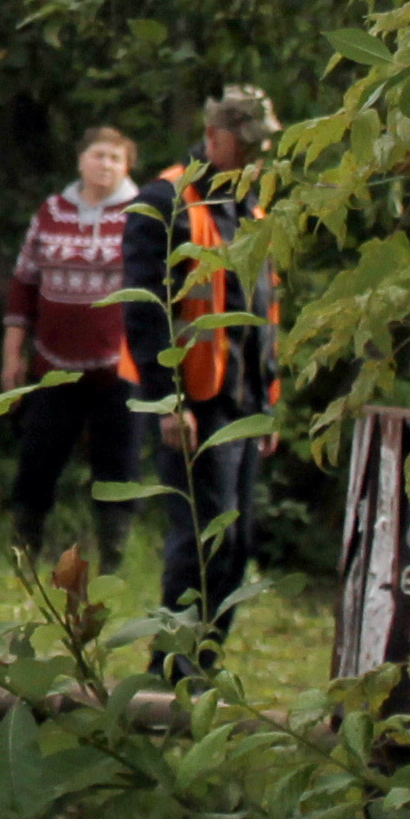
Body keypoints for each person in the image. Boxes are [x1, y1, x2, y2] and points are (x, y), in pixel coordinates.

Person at [122, 84, 281, 647]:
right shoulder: (165, 202)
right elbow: (145, 312)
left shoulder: (250, 206)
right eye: (247, 144)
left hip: (242, 404)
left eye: (263, 145)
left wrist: (267, 404)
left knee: (236, 543)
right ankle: (172, 668)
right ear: (214, 137)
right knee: (200, 539)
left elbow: (262, 311)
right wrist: (168, 400)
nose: (257, 156)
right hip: (194, 404)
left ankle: (204, 663)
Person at [0, 125, 147, 575]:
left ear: (127, 167)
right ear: (81, 159)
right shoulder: (51, 212)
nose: (105, 165)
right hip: (54, 363)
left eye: (115, 159)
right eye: (98, 155)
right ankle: (25, 554)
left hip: (118, 366)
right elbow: (24, 283)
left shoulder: (141, 216)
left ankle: (113, 563)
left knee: (117, 466)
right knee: (37, 460)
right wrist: (12, 353)